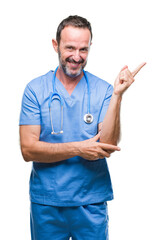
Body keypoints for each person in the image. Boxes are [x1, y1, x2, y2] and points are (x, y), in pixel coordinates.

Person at [19, 15, 146, 240]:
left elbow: (107, 145)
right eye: (70, 48)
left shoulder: (103, 90)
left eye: (84, 50)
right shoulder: (35, 90)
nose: (77, 57)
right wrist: (78, 148)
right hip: (47, 203)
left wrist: (117, 96)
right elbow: (28, 150)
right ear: (55, 45)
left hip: (91, 202)